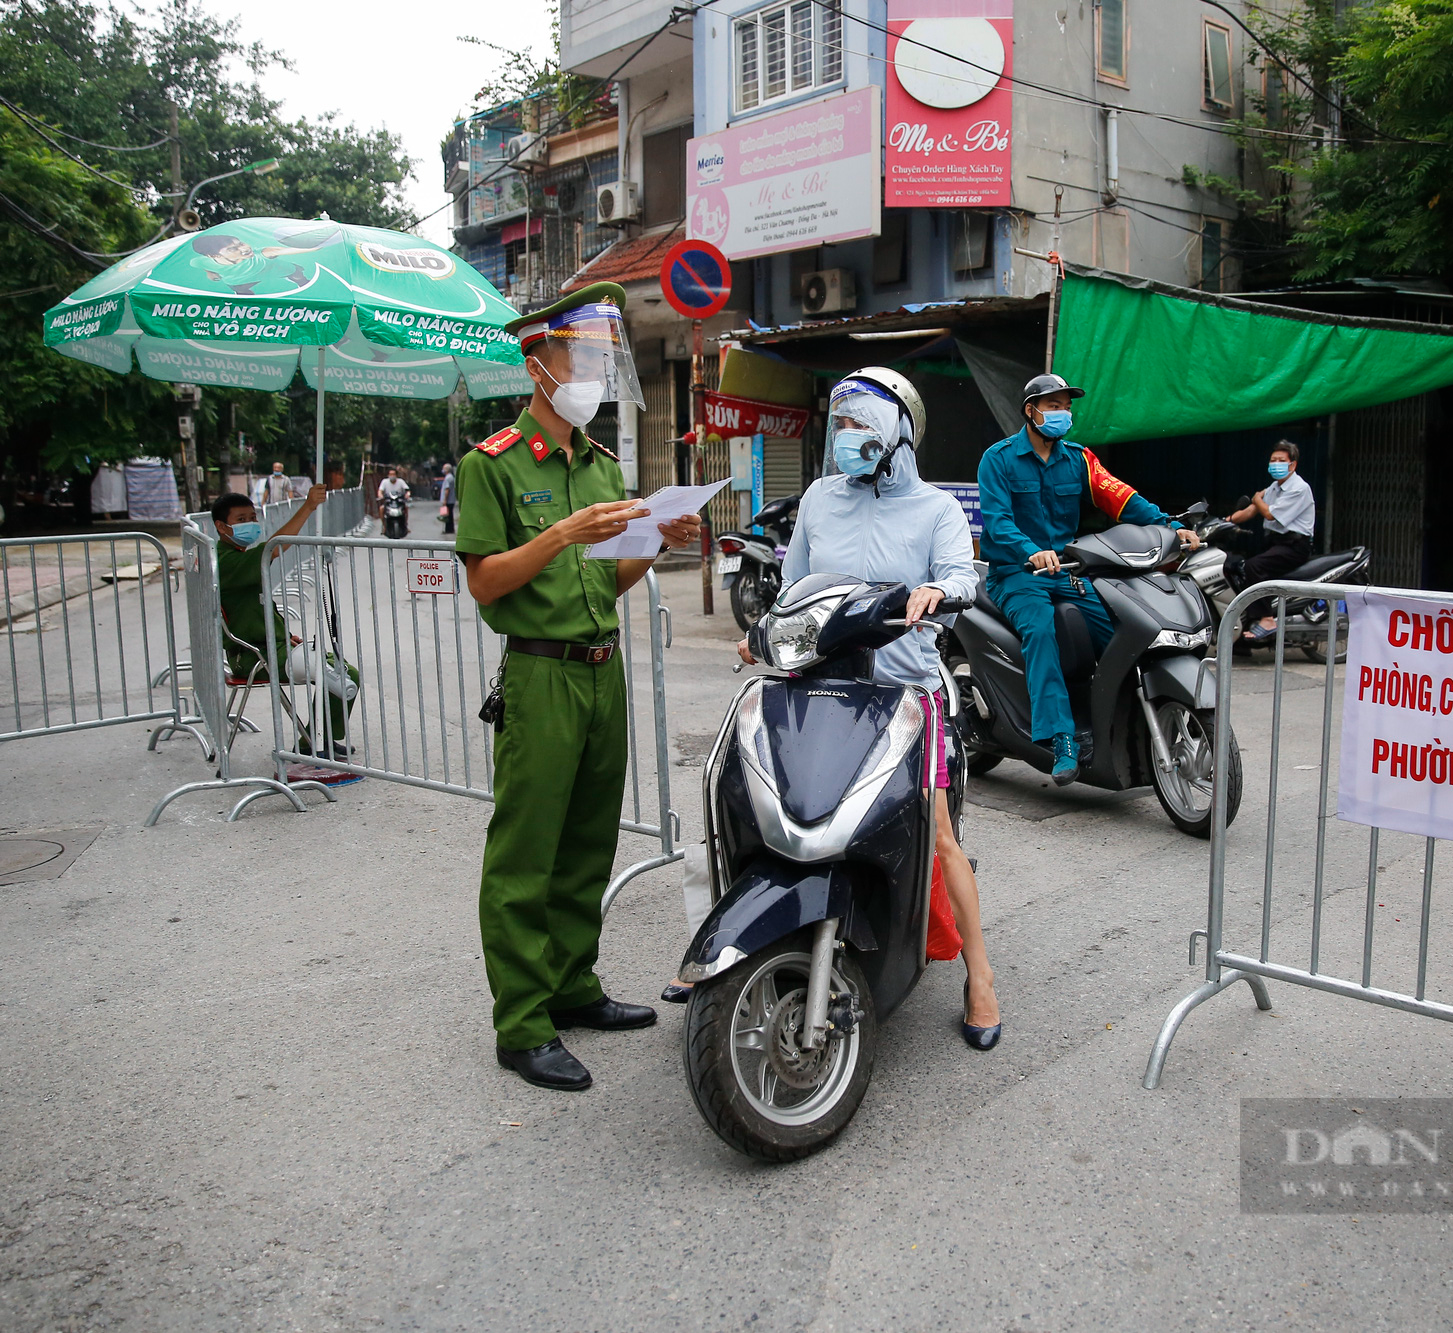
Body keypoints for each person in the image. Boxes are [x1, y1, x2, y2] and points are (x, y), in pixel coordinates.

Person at [453, 281, 703, 1093]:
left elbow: (608, 582)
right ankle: (522, 1021)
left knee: (588, 842)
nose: (595, 369)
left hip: (600, 672)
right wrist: (561, 532)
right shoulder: (489, 465)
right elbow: (487, 583)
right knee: (526, 851)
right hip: (539, 673)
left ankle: (571, 984)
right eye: (583, 354)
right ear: (539, 364)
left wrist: (657, 542)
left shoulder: (601, 466)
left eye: (604, 356)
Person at [727, 368, 1003, 1046]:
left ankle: (981, 975)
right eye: (840, 422)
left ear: (899, 429)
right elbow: (793, 588)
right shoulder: (820, 498)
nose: (846, 434)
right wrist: (759, 631)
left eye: (860, 423)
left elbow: (964, 572)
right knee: (759, 802)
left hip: (907, 692)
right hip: (819, 682)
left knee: (939, 836)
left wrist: (940, 591)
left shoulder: (936, 508)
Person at [978, 372, 1197, 784]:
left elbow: (1122, 498)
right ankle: (1060, 737)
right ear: (1031, 411)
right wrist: (1031, 551)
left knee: (1115, 629)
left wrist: (1170, 525)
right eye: (1054, 406)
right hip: (1016, 574)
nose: (1063, 413)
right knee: (1041, 632)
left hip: (1068, 571)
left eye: (1066, 406)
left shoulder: (1078, 458)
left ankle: (1113, 720)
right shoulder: (999, 458)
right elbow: (998, 521)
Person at [210, 485, 360, 758]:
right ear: (222, 526)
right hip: (253, 656)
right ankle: (312, 744)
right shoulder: (226, 561)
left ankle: (316, 740)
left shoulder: (238, 557)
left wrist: (283, 633)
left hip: (272, 647)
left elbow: (256, 607)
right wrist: (308, 507)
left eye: (253, 518)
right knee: (337, 675)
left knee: (346, 672)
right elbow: (275, 547)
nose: (250, 524)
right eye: (241, 520)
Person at [1227, 439, 1317, 643]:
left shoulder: (1299, 488)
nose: (1275, 464)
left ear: (1292, 464)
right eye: (1273, 460)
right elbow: (1250, 511)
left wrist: (1257, 500)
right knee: (1239, 568)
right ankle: (1245, 626)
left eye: (1281, 460)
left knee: (1253, 566)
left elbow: (1267, 513)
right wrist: (1225, 521)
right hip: (1275, 543)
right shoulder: (1275, 487)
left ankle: (1267, 619)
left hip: (1294, 546)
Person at [438, 463, 457, 534]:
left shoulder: (448, 478)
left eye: (444, 468)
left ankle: (449, 529)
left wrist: (445, 500)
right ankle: (450, 529)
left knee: (448, 516)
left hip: (449, 500)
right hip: (451, 500)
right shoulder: (451, 477)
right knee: (449, 515)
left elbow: (447, 489)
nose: (442, 470)